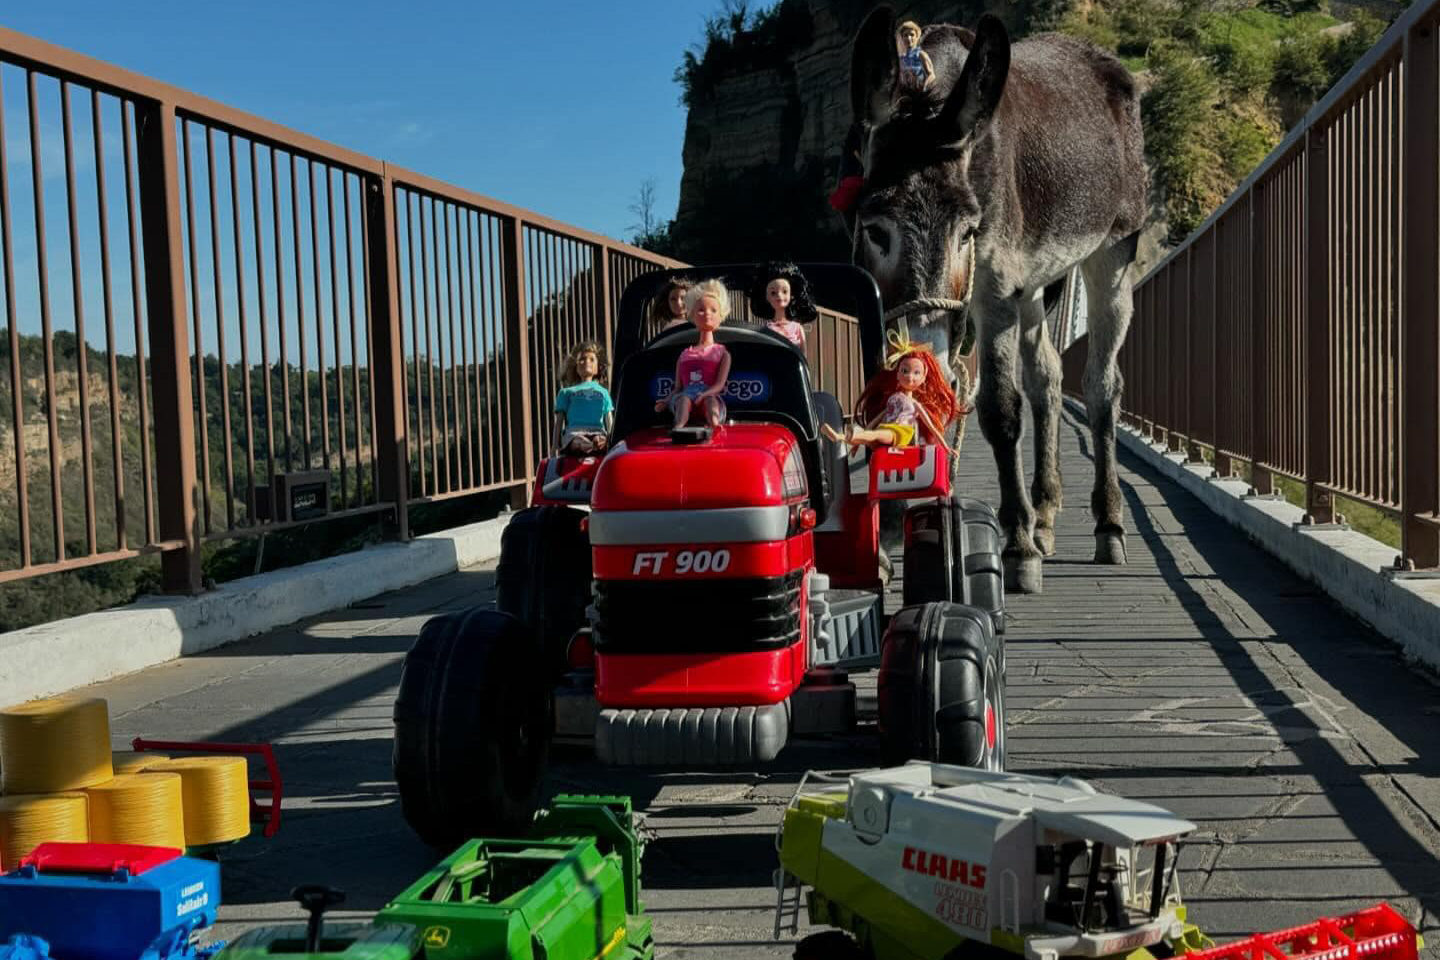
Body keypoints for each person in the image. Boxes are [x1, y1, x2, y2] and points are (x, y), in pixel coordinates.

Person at [820, 330, 962, 453]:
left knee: (877, 435)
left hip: (901, 432)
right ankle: (846, 437)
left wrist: (945, 446)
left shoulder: (914, 404)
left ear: (924, 377)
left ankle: (843, 437)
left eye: (916, 373)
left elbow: (931, 427)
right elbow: (878, 418)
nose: (909, 377)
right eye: (904, 371)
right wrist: (860, 442)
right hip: (887, 427)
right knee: (874, 433)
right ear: (897, 372)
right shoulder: (894, 398)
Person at [655, 279, 732, 428]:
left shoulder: (722, 353)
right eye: (701, 310)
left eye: (713, 310)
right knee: (683, 400)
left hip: (708, 397)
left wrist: (704, 394)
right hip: (687, 397)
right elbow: (678, 387)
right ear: (692, 315)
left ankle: (714, 426)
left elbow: (719, 384)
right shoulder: (684, 354)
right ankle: (679, 427)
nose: (707, 314)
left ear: (721, 315)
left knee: (710, 402)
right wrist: (666, 400)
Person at [552, 339, 613, 455]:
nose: (586, 362)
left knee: (601, 439)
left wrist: (611, 440)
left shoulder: (604, 393)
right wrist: (555, 445)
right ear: (575, 366)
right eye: (582, 359)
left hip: (598, 432)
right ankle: (588, 445)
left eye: (592, 359)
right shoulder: (566, 392)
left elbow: (609, 420)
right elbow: (559, 421)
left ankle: (594, 444)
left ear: (597, 368)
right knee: (577, 441)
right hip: (574, 433)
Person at [749, 261, 818, 350]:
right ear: (766, 297)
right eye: (773, 293)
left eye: (785, 291)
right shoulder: (765, 328)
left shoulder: (797, 328)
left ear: (792, 295)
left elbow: (803, 356)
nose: (779, 296)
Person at [896, 20, 935, 91]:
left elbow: (931, 75)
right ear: (902, 38)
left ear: (917, 36)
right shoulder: (901, 58)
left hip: (918, 93)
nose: (909, 38)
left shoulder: (921, 54)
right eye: (906, 35)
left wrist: (924, 87)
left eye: (912, 34)